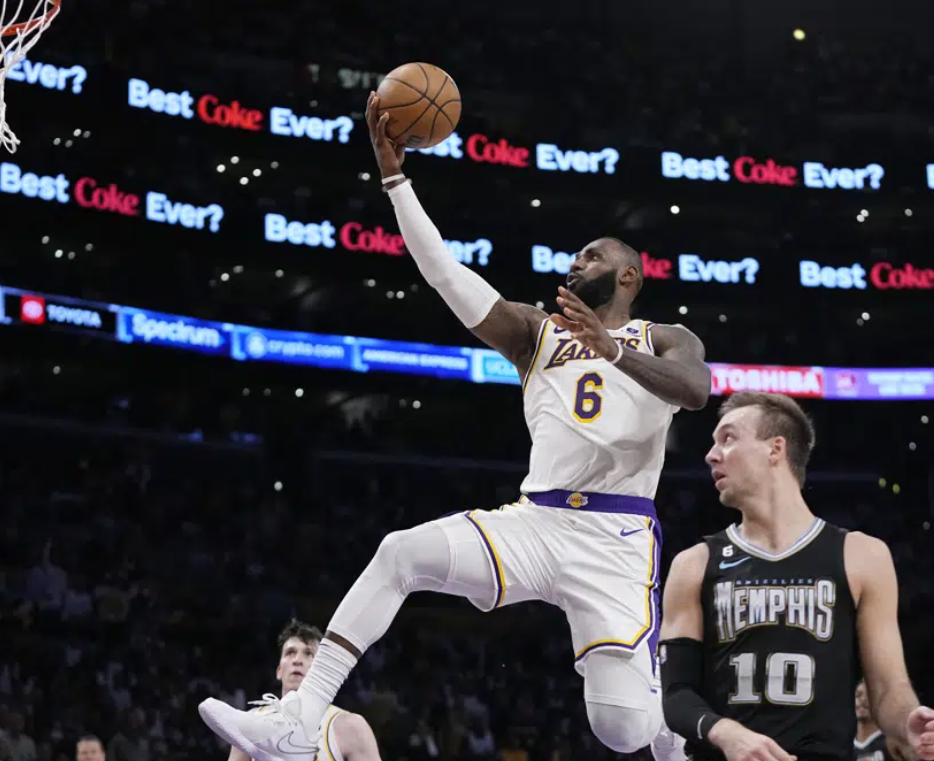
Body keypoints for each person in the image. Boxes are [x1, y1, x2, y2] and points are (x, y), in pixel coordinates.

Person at [198, 92, 710, 761]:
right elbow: (443, 272)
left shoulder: (663, 336)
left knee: (618, 728)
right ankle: (299, 716)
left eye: (589, 256)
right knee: (398, 552)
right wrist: (394, 180)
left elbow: (697, 392)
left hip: (615, 538)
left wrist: (612, 349)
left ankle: (671, 733)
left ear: (628, 275)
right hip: (537, 520)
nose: (573, 262)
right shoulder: (535, 331)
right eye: (574, 256)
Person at [657, 392, 934, 761]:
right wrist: (725, 732)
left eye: (728, 439)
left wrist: (906, 721)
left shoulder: (862, 556)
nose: (711, 454)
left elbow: (889, 688)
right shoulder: (694, 563)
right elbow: (676, 695)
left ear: (775, 450)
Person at [217, 620, 380, 761]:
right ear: (279, 670)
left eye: (308, 654)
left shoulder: (350, 727)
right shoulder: (250, 723)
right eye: (290, 653)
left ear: (321, 669)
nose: (297, 660)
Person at [853, 681, 904, 761]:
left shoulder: (893, 742)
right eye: (858, 695)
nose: (862, 699)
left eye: (870, 696)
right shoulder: (843, 745)